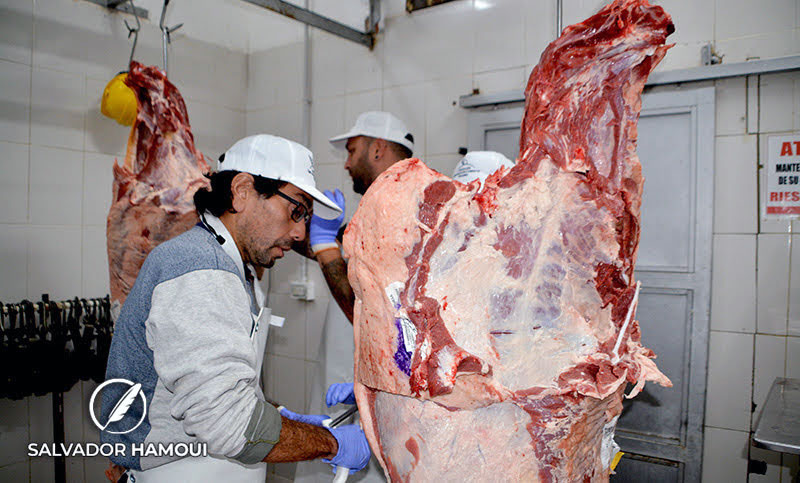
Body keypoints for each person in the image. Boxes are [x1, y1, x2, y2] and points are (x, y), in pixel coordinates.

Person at [101, 134, 371, 482]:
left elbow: (223, 388)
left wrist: (284, 417)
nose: (301, 232)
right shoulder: (198, 267)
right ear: (242, 191)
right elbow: (227, 423)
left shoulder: (233, 267)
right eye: (296, 210)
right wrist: (330, 443)